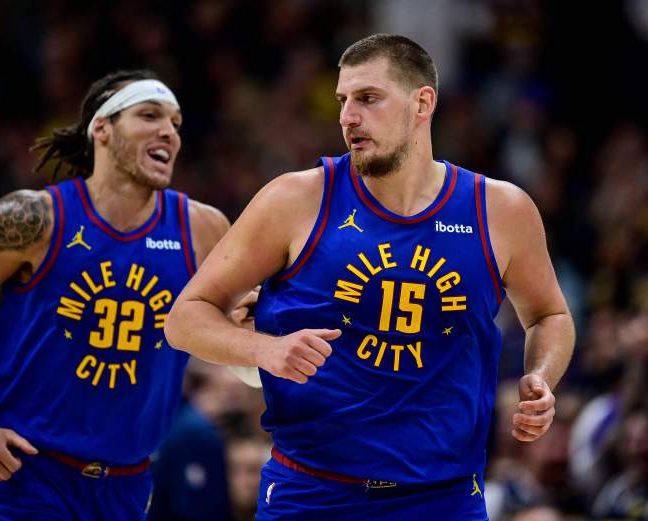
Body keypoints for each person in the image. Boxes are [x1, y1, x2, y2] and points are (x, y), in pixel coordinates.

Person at [165, 34, 575, 520]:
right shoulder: (295, 199)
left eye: (368, 98)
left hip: (443, 498)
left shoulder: (500, 209)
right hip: (312, 492)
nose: (347, 117)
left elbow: (550, 315)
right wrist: (265, 350)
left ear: (422, 103)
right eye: (343, 101)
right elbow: (185, 319)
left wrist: (540, 378)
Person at [0, 69, 234, 520]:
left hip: (128, 484)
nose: (169, 132)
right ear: (102, 128)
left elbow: (241, 328)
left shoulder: (203, 228)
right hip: (26, 476)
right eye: (150, 115)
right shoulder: (34, 218)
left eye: (175, 123)